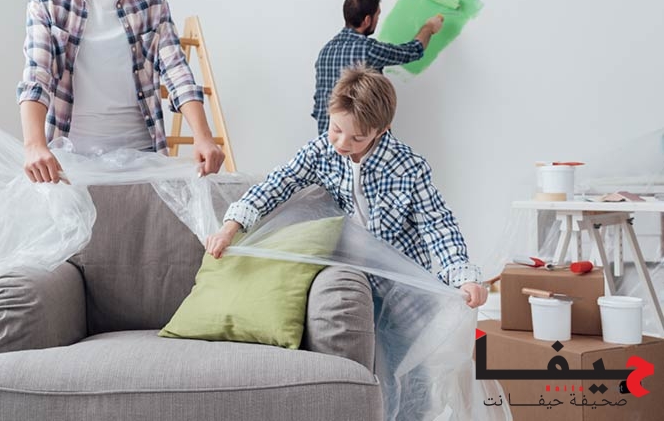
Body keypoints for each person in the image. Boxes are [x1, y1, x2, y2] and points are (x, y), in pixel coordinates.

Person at [206, 64, 487, 309]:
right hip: (353, 270)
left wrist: (463, 276)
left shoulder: (408, 166)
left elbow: (437, 224)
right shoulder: (320, 152)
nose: (342, 143)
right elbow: (277, 184)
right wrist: (230, 227)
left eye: (357, 138)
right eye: (336, 129)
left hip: (403, 279)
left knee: (409, 347)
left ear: (382, 130)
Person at [17, 0, 225, 183]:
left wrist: (203, 136)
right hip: (72, 160)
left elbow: (177, 71)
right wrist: (34, 145)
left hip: (141, 157)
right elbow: (37, 76)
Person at [311, 0, 444, 134]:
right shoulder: (367, 49)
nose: (377, 20)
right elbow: (412, 51)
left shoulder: (326, 51)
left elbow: (319, 100)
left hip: (327, 136)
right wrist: (429, 27)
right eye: (377, 15)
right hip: (360, 138)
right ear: (367, 20)